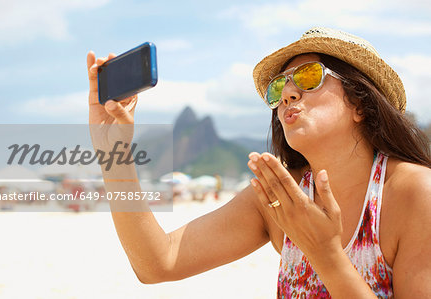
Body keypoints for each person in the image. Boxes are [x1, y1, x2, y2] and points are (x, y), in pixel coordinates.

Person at [86, 27, 431, 298]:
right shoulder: (280, 196)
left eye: (310, 77)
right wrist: (113, 154)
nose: (288, 94)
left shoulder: (415, 194)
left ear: (360, 103)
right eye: (278, 87)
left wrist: (325, 255)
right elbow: (157, 263)